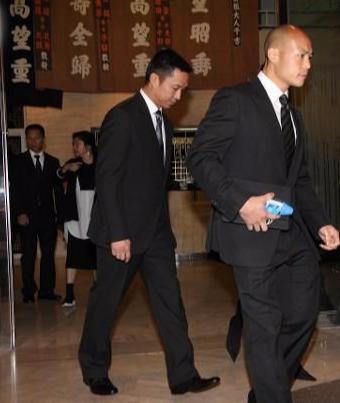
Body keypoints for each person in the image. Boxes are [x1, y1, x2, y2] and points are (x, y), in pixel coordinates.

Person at [187, 25, 340, 403]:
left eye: (311, 58)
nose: (308, 64)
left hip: (293, 231)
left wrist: (320, 222)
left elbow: (299, 179)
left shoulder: (293, 116)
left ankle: (266, 392)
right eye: (301, 55)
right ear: (273, 54)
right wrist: (241, 202)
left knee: (303, 315)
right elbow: (200, 157)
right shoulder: (236, 99)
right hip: (250, 234)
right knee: (264, 327)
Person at [77, 48, 220, 397]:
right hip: (121, 233)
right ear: (154, 79)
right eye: (176, 87)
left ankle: (183, 375)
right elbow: (107, 178)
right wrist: (118, 233)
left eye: (183, 89)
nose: (179, 96)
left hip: (155, 234)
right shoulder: (122, 117)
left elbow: (154, 185)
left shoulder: (164, 124)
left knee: (170, 302)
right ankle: (94, 370)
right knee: (106, 303)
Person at [11, 124, 64, 303]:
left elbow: (58, 191)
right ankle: (28, 291)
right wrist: (19, 212)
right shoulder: (18, 161)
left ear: (43, 139)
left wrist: (60, 218)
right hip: (26, 217)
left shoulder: (53, 162)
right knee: (28, 255)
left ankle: (46, 291)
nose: (33, 141)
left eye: (37, 138)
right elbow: (14, 190)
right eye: (30, 138)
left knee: (48, 255)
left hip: (48, 218)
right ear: (26, 140)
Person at [59, 131, 97, 307]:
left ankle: (99, 292)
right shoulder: (73, 164)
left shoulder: (101, 164)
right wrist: (66, 169)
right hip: (76, 218)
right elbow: (56, 177)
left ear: (87, 146)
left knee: (96, 258)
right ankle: (69, 295)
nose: (74, 147)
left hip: (96, 218)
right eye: (73, 144)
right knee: (72, 256)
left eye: (77, 143)